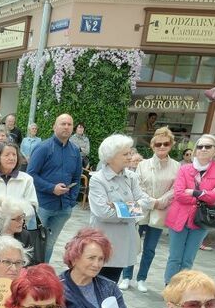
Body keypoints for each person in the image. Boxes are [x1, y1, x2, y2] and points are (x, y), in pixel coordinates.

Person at [164, 134, 215, 282]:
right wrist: (205, 196)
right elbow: (179, 194)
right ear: (195, 150)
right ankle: (170, 287)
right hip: (179, 218)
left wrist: (194, 192)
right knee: (175, 257)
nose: (203, 149)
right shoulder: (185, 169)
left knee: (188, 259)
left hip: (200, 220)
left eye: (208, 146)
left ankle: (182, 289)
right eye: (200, 146)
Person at [88, 134, 148, 285]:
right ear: (111, 156)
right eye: (125, 154)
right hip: (103, 241)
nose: (130, 156)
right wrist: (132, 207)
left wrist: (116, 206)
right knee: (95, 283)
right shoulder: (98, 179)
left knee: (111, 285)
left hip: (124, 242)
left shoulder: (131, 177)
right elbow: (103, 213)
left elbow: (145, 202)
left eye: (130, 152)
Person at [128, 126, 179, 292]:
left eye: (166, 143)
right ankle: (126, 276)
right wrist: (152, 202)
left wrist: (161, 201)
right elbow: (137, 186)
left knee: (150, 248)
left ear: (171, 145)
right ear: (152, 145)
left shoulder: (177, 166)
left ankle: (142, 278)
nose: (162, 147)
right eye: (158, 144)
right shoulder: (142, 164)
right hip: (141, 207)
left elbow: (175, 188)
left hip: (161, 210)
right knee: (132, 243)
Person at [28, 113, 84, 262]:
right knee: (34, 242)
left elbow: (77, 178)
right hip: (42, 205)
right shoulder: (43, 148)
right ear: (54, 126)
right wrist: (51, 188)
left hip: (64, 208)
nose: (66, 127)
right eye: (63, 124)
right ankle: (28, 277)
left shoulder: (75, 151)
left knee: (49, 244)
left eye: (69, 124)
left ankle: (43, 275)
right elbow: (31, 175)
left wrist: (72, 201)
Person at [0, 201, 37, 278]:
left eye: (22, 217)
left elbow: (30, 264)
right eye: (18, 219)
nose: (22, 221)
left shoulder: (25, 235)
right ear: (5, 220)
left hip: (18, 277)